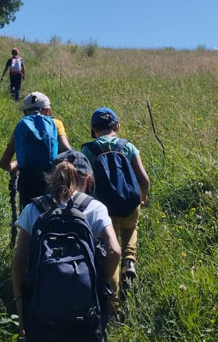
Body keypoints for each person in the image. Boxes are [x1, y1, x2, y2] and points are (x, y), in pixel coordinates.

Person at [11, 150, 121, 340]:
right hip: (84, 310)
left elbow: (19, 263)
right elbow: (114, 250)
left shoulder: (34, 208)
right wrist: (98, 282)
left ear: (52, 177)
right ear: (87, 180)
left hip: (43, 312)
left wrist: (22, 313)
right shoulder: (95, 208)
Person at [81, 107, 150, 315]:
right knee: (131, 229)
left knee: (110, 252)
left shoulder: (88, 150)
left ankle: (114, 307)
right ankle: (130, 260)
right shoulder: (128, 146)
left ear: (94, 129)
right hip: (130, 203)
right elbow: (144, 179)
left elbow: (85, 184)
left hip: (104, 210)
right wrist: (142, 198)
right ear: (117, 127)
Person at [0, 92, 71, 209]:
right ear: (48, 110)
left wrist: (17, 164)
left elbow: (3, 164)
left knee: (29, 219)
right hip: (53, 180)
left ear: (25, 112)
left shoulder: (20, 126)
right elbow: (66, 149)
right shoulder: (56, 124)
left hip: (28, 182)